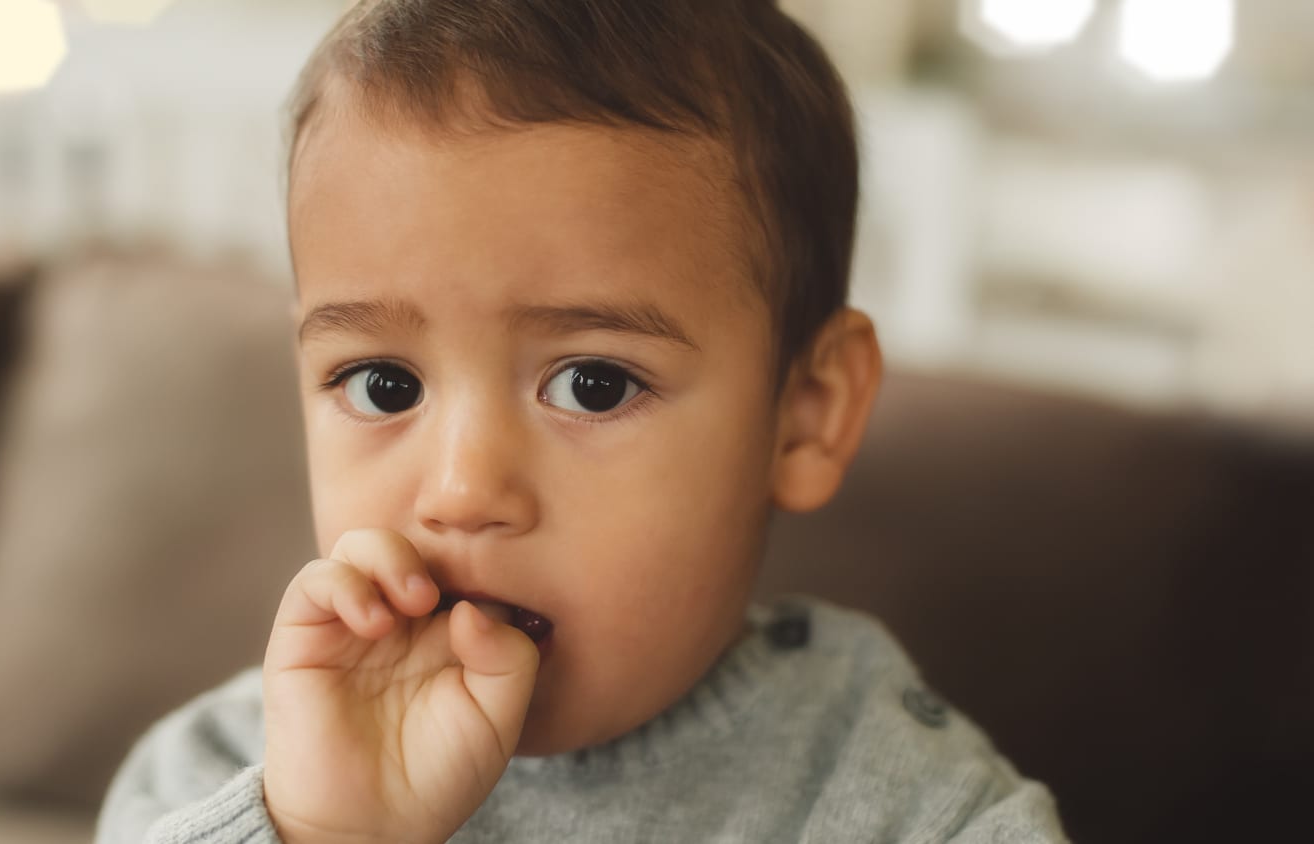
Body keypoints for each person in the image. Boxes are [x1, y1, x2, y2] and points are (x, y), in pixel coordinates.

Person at [98, 1, 1069, 841]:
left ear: (804, 414)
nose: (464, 489)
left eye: (594, 384)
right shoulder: (220, 775)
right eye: (385, 385)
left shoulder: (902, 803)